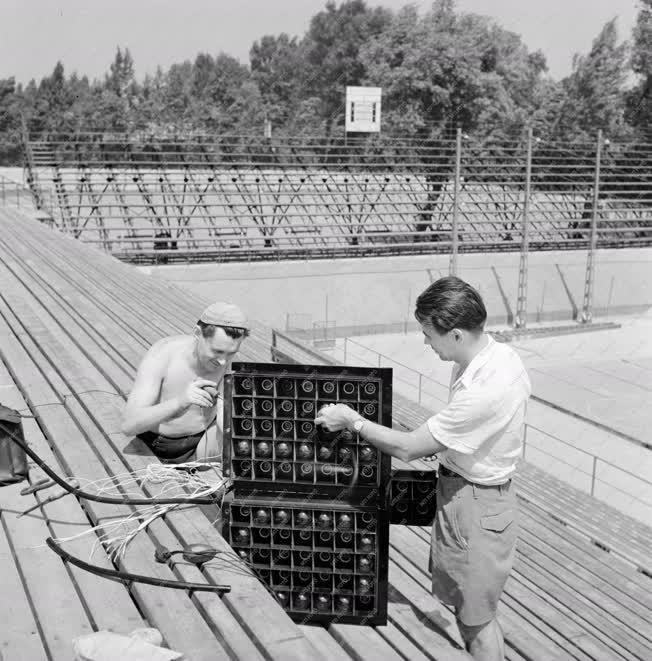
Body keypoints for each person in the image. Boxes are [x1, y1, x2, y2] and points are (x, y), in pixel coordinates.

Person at [315, 276, 531, 661]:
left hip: (476, 507)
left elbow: (409, 448)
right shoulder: (493, 356)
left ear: (458, 334)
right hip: (468, 492)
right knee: (473, 611)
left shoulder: (487, 388)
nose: (426, 343)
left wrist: (352, 420)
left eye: (429, 334)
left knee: (475, 621)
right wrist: (450, 447)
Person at [121, 301, 249, 464]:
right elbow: (128, 426)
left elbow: (225, 416)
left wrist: (228, 424)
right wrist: (180, 401)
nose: (223, 361)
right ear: (197, 333)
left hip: (203, 441)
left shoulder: (226, 362)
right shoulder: (163, 354)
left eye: (231, 353)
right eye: (217, 351)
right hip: (160, 444)